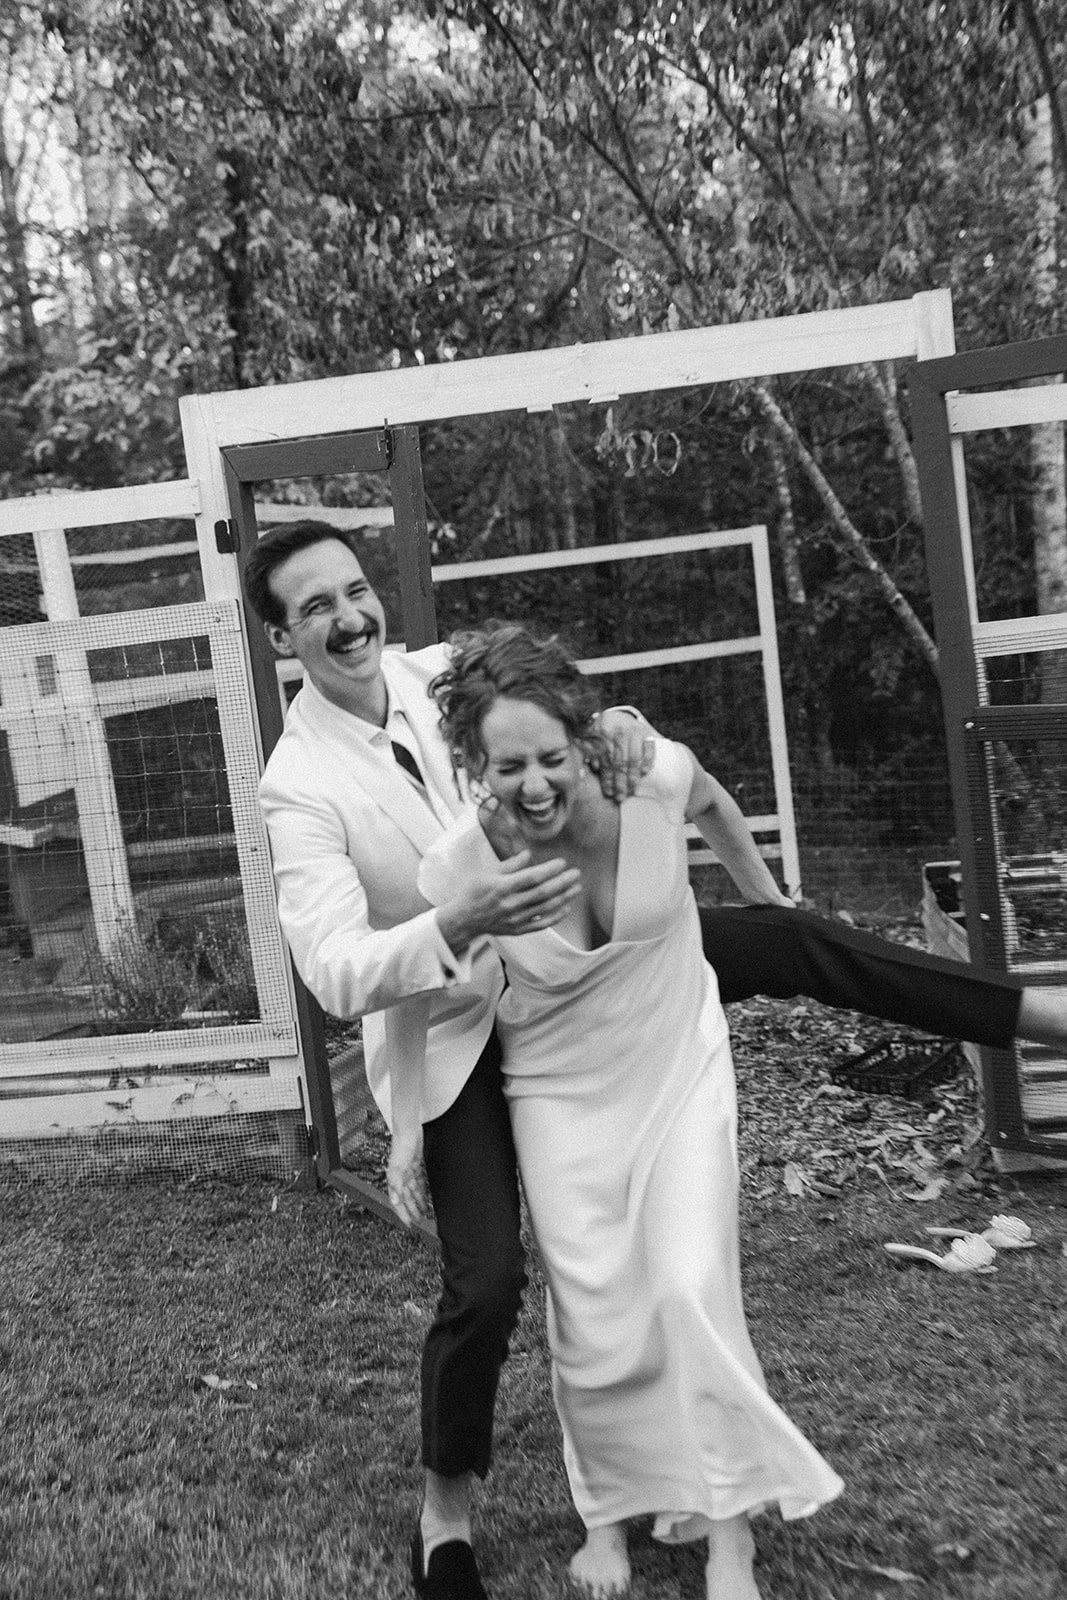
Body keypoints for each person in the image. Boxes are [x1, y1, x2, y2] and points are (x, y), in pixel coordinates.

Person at [244, 520, 1061, 1600]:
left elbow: (568, 718)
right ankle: (446, 1515)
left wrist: (621, 727)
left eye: (354, 590)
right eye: (314, 606)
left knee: (792, 938)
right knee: (488, 1280)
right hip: (469, 1019)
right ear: (279, 636)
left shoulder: (442, 673)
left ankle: (1041, 1016)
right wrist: (458, 919)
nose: (347, 617)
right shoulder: (296, 785)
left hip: (605, 959)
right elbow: (345, 973)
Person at [410, 623, 844, 1600]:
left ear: (583, 738)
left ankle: (728, 1538)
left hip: (675, 1066)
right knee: (596, 1320)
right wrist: (406, 1128)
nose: (533, 783)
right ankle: (604, 1521)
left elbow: (724, 810)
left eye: (551, 757)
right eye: (506, 763)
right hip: (557, 1096)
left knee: (689, 1285)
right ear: (473, 764)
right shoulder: (458, 866)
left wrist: (775, 913)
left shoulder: (650, 773)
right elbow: (425, 1000)